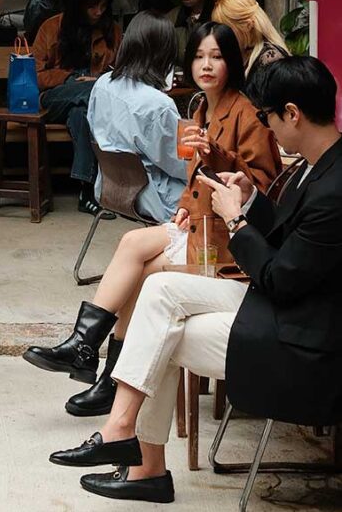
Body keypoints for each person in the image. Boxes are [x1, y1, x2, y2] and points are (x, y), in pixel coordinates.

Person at [48, 55, 342, 504]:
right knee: (157, 292)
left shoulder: (332, 185)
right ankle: (127, 439)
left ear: (292, 114)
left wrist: (238, 222)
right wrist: (252, 200)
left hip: (304, 341)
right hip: (283, 309)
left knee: (158, 329)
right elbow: (292, 241)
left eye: (268, 117)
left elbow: (282, 277)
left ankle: (139, 457)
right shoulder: (319, 165)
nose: (269, 128)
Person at [25, 22, 282, 416]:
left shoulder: (246, 115)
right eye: (198, 56)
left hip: (227, 245)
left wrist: (216, 156)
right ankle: (84, 349)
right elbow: (194, 175)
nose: (206, 65)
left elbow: (264, 190)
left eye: (216, 57)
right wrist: (183, 200)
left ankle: (108, 377)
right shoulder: (199, 107)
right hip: (198, 224)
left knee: (143, 274)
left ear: (231, 62)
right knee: (130, 244)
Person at [33, 0, 122, 215]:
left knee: (82, 113)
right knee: (90, 94)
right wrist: (70, 79)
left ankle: (86, 191)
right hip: (53, 98)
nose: (98, 12)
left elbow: (120, 73)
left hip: (90, 102)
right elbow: (36, 76)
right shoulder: (52, 28)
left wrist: (97, 81)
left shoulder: (111, 31)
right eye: (92, 6)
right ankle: (91, 91)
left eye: (103, 6)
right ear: (78, 4)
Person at [86, 11, 188, 224]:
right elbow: (180, 166)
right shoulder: (158, 105)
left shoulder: (102, 84)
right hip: (153, 198)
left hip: (110, 188)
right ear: (164, 55)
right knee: (221, 194)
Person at [210, 0, 289, 78]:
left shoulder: (271, 60)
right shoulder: (241, 55)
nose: (220, 36)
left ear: (248, 26)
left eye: (226, 30)